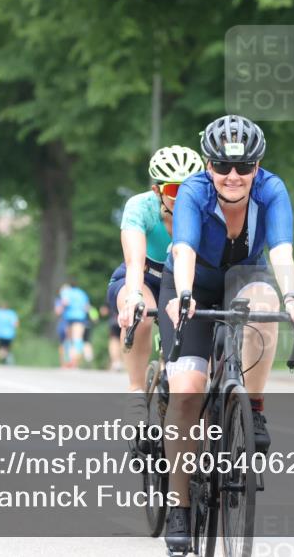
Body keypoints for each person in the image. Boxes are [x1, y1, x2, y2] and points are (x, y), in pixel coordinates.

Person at [159, 116, 294, 551]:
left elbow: (281, 250)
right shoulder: (193, 191)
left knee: (267, 306)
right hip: (193, 280)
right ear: (208, 164)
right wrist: (185, 293)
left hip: (246, 275)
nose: (232, 176)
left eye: (243, 167)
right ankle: (179, 505)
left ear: (257, 166)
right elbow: (185, 247)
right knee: (187, 389)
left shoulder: (272, 190)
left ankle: (255, 407)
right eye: (222, 166)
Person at [106, 145, 204, 420]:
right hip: (145, 277)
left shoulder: (208, 206)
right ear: (157, 190)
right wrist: (134, 295)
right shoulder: (141, 207)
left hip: (187, 279)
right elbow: (135, 262)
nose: (183, 198)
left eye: (190, 189)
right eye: (174, 191)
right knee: (143, 314)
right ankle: (136, 388)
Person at [58, 281, 91, 366]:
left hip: (69, 318)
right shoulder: (82, 293)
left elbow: (65, 302)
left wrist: (62, 308)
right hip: (80, 318)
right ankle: (76, 360)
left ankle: (69, 359)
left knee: (69, 339)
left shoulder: (67, 292)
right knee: (78, 339)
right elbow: (86, 307)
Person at [100, 305, 123, 372]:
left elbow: (104, 311)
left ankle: (116, 362)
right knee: (125, 341)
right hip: (128, 320)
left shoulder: (112, 294)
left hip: (115, 320)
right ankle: (123, 363)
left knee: (114, 341)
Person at [54, 295, 70, 367]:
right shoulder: (59, 300)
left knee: (72, 343)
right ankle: (63, 363)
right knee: (63, 344)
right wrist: (63, 304)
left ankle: (72, 363)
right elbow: (57, 312)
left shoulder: (74, 298)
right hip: (63, 324)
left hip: (73, 324)